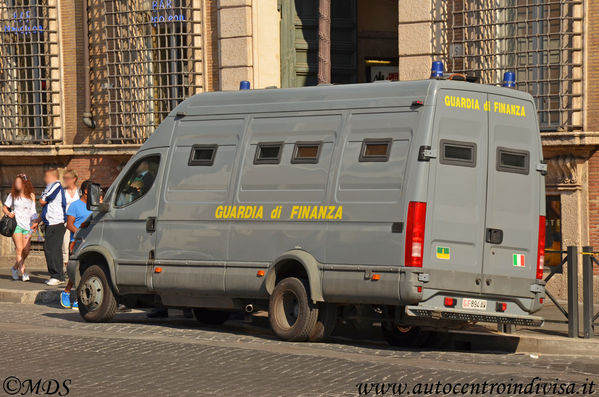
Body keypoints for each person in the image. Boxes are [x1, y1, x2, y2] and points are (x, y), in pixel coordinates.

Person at [60, 180, 92, 309]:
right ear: (85, 191)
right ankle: (67, 292)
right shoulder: (75, 205)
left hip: (92, 241)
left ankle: (78, 297)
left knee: (87, 269)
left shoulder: (95, 206)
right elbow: (69, 224)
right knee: (78, 270)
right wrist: (80, 233)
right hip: (77, 241)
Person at [32, 168, 67, 286]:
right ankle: (56, 275)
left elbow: (42, 201)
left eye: (46, 177)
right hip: (51, 222)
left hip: (56, 223)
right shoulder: (53, 186)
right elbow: (47, 208)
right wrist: (38, 220)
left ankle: (57, 275)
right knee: (50, 248)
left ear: (51, 177)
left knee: (53, 249)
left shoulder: (55, 185)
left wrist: (42, 197)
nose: (44, 179)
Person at [2, 174, 37, 282]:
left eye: (19, 182)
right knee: (19, 249)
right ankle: (24, 272)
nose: (17, 184)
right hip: (16, 225)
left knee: (26, 251)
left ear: (25, 183)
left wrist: (35, 222)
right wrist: (8, 213)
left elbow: (33, 211)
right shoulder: (12, 195)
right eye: (16, 182)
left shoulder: (31, 195)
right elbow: (4, 207)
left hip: (28, 226)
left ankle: (14, 268)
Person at [61, 170, 80, 274]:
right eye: (65, 178)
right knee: (65, 243)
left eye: (68, 178)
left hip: (78, 220)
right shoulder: (63, 192)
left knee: (76, 242)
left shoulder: (79, 191)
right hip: (66, 220)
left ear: (74, 179)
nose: (66, 181)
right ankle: (66, 267)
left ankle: (76, 266)